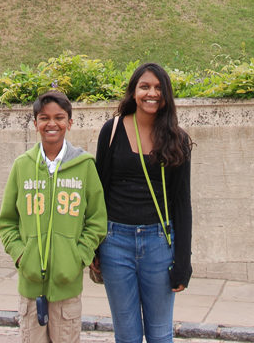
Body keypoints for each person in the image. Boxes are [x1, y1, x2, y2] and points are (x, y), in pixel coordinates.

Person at [93, 62, 192, 343]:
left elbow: (182, 203)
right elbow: (98, 192)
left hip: (158, 244)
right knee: (127, 335)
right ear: (133, 92)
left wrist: (183, 261)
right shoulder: (111, 130)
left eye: (159, 88)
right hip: (115, 243)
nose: (152, 93)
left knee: (160, 334)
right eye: (145, 86)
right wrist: (94, 248)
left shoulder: (177, 139)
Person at [0, 90, 107, 343]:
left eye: (59, 117)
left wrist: (79, 257)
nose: (51, 123)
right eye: (44, 117)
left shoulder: (85, 166)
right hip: (30, 289)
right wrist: (21, 255)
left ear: (69, 122)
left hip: (67, 288)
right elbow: (6, 222)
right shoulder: (22, 166)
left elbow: (97, 220)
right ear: (35, 123)